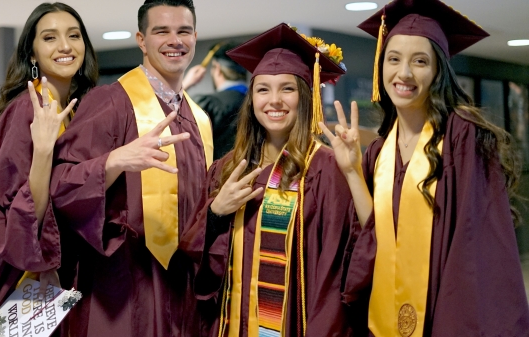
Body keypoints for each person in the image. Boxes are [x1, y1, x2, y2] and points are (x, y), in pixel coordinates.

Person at [320, 0, 529, 335]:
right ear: (381, 67)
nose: (404, 73)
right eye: (393, 59)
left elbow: (475, 249)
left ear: (438, 71)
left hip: (447, 313)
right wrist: (351, 169)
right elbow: (375, 233)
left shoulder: (462, 137)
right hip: (385, 314)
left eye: (420, 61)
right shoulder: (379, 149)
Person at [44, 0, 214, 335]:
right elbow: (60, 185)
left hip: (183, 289)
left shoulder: (199, 120)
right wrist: (114, 160)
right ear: (141, 39)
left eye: (183, 31)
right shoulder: (110, 102)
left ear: (195, 36)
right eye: (161, 31)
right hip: (122, 287)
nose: (174, 40)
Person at [180, 23, 357, 336]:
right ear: (252, 99)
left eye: (287, 88)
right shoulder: (228, 168)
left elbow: (336, 267)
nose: (274, 100)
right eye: (263, 89)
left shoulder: (324, 168)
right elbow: (198, 268)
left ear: (305, 97)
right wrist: (215, 214)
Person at [0, 2, 98, 336]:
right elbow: (16, 212)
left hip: (39, 261)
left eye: (74, 35)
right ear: (33, 54)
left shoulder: (71, 111)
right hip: (2, 267)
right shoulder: (28, 108)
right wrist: (42, 150)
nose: (66, 46)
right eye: (50, 38)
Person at [183, 41, 248, 159]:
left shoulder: (208, 104)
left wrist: (183, 86)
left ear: (217, 68)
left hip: (218, 174)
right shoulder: (258, 102)